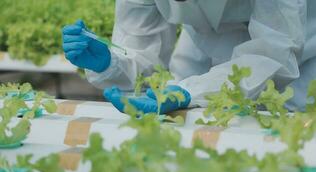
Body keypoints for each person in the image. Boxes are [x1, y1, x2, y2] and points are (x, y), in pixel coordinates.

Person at [62, 0, 315, 114]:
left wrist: (191, 92)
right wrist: (112, 63)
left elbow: (275, 52)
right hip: (202, 43)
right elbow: (141, 51)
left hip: (297, 51)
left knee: (283, 130)